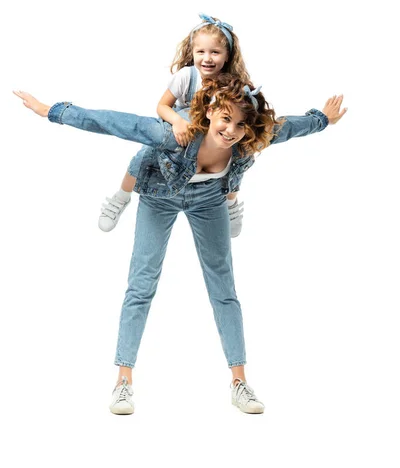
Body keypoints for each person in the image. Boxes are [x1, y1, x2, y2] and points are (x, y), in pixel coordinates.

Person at [13, 75, 347, 415]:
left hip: (209, 202)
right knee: (141, 284)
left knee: (223, 288)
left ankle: (239, 382)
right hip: (159, 197)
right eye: (226, 119)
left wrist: (322, 119)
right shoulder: (176, 132)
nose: (231, 130)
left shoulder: (249, 141)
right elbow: (113, 122)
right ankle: (123, 381)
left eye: (241, 125)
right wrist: (51, 110)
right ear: (213, 111)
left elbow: (287, 127)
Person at [98, 14, 250, 237]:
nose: (207, 58)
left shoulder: (232, 83)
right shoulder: (186, 76)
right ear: (193, 52)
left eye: (215, 52)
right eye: (201, 52)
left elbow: (246, 111)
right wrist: (178, 121)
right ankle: (121, 196)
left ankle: (231, 204)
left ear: (227, 55)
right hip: (182, 131)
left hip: (217, 137)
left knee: (241, 158)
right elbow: (162, 107)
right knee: (145, 154)